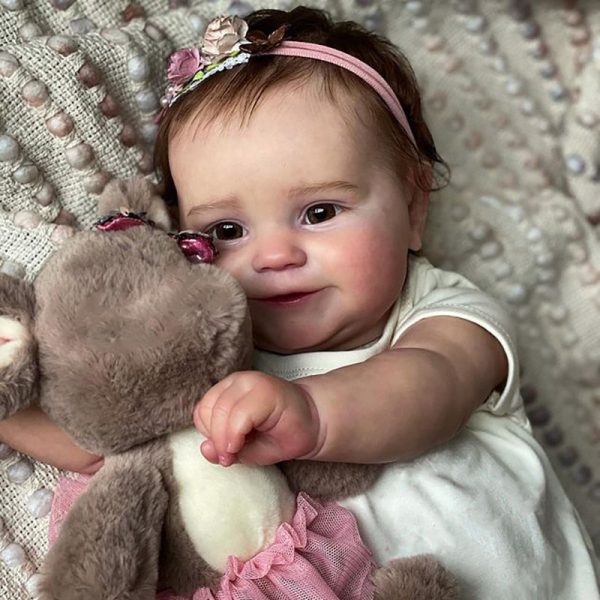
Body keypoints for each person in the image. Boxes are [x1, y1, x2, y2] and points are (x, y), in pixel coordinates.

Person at [2, 6, 598, 599]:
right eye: (227, 231)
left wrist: (313, 415)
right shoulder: (213, 354)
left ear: (414, 208)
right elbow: (108, 441)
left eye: (319, 212)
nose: (274, 255)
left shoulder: (439, 314)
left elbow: (433, 383)